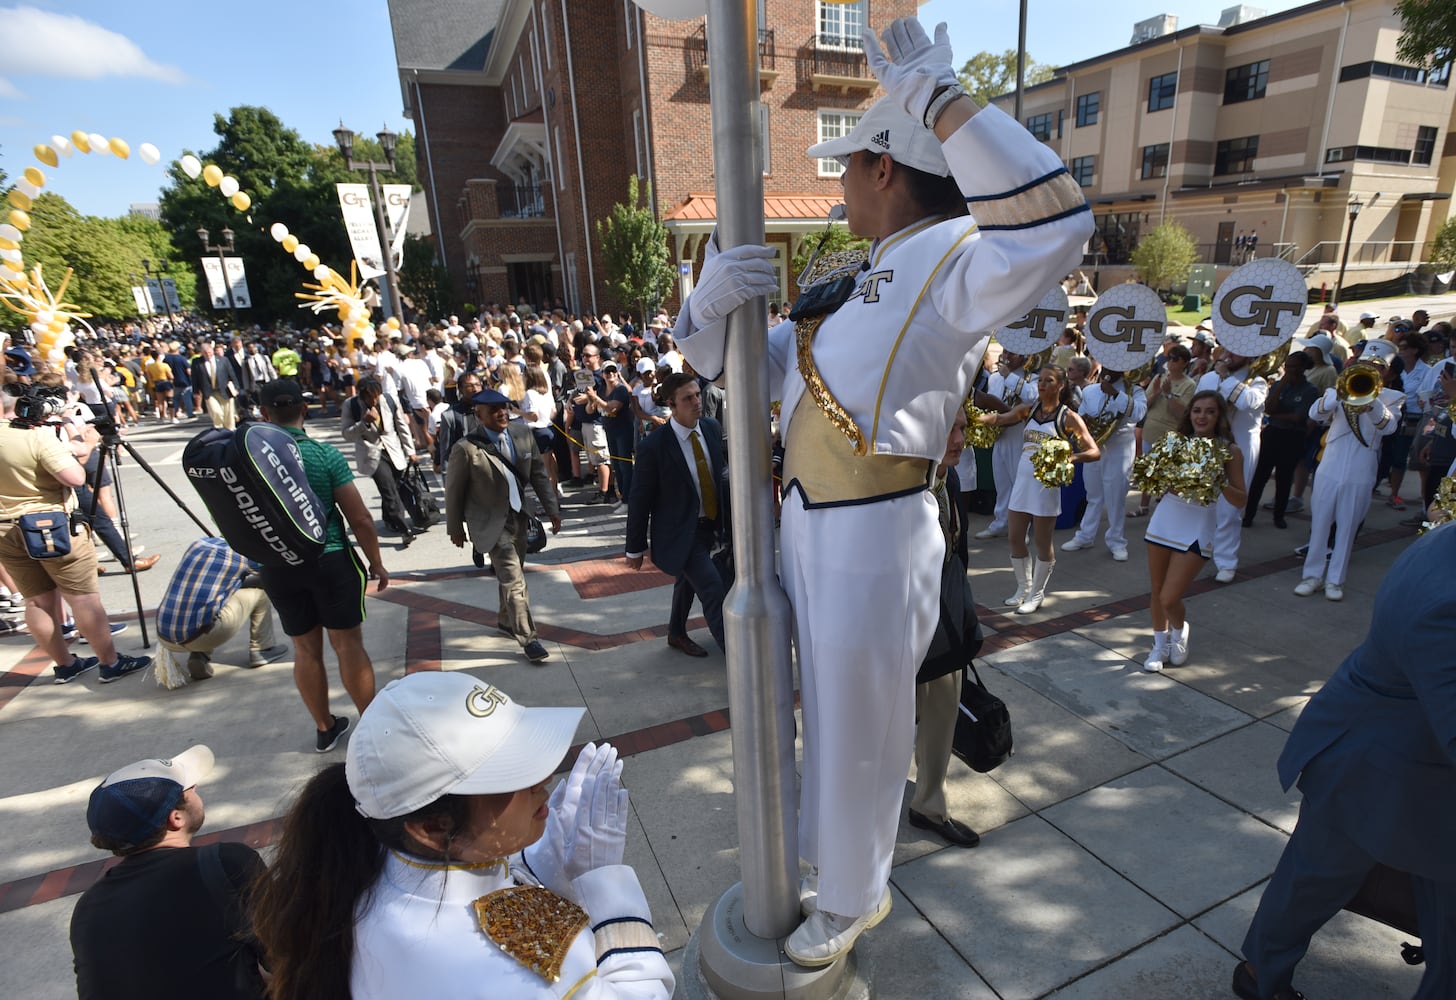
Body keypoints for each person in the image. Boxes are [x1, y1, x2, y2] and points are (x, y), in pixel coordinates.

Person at [673, 16, 1090, 965]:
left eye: (849, 166)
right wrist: (706, 314)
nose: (841, 181)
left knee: (861, 716)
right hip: (810, 522)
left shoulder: (951, 255)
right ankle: (832, 863)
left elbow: (1058, 220)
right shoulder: (854, 275)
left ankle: (856, 895)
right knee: (825, 708)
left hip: (875, 523)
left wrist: (938, 101)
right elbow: (752, 375)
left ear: (888, 171)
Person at [248, 672, 674, 1000]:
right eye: (514, 776)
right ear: (433, 828)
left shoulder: (362, 856)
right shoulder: (516, 966)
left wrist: (536, 864)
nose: (544, 778)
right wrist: (607, 889)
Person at [1234, 524, 1456, 1000]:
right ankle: (1260, 975)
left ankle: (1260, 971)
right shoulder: (1446, 600)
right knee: (1315, 876)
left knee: (1317, 875)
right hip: (1375, 764)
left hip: (1395, 756)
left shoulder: (1446, 540)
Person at [70, 745, 267, 1000]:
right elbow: (293, 958)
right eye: (189, 789)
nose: (196, 789)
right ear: (176, 818)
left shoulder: (87, 907)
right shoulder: (226, 863)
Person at [256, 379, 389, 752]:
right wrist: (376, 562)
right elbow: (360, 518)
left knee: (304, 649)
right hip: (329, 558)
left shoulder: (252, 462)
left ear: (264, 414)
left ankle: (324, 727)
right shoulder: (322, 456)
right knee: (348, 644)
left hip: (278, 565)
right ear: (305, 409)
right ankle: (372, 724)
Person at [0, 380, 150, 684]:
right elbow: (75, 476)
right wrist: (88, 444)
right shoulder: (35, 437)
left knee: (36, 602)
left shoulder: (31, 434)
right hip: (50, 525)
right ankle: (110, 663)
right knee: (82, 599)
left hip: (5, 530)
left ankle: (65, 664)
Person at [445, 387, 562, 664]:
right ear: (479, 413)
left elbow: (538, 475)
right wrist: (455, 528)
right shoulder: (466, 449)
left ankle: (504, 619)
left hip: (519, 517)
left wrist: (552, 510)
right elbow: (454, 492)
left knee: (512, 573)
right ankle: (528, 638)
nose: (502, 413)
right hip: (488, 522)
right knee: (514, 580)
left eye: (504, 407)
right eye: (494, 409)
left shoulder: (522, 435)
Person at [911, 408, 981, 847]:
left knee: (942, 711)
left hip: (943, 625)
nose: (960, 439)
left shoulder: (949, 480)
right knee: (892, 722)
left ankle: (929, 806)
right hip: (897, 627)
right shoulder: (897, 488)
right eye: (951, 430)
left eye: (963, 428)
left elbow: (958, 550)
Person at [978, 364, 1099, 613]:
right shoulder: (1027, 410)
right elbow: (1000, 419)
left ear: (1061, 385)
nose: (1042, 384)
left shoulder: (1068, 417)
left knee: (1043, 543)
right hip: (1022, 483)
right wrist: (971, 418)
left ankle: (1037, 594)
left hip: (1045, 486)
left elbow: (1094, 451)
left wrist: (1070, 459)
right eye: (1041, 380)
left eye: (1049, 380)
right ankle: (1023, 588)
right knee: (1014, 538)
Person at [624, 372, 728, 657]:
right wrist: (634, 548)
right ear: (672, 404)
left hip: (712, 526)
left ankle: (676, 632)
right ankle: (736, 654)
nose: (697, 401)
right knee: (713, 588)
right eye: (688, 398)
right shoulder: (654, 446)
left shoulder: (710, 427)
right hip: (680, 532)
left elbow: (719, 476)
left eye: (697, 394)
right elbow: (639, 499)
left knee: (687, 581)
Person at [1141, 391, 1247, 672]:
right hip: (1165, 519)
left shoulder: (1230, 451)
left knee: (1169, 597)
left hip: (1199, 524)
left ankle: (1179, 630)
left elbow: (1241, 499)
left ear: (1219, 416)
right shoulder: (1175, 443)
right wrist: (1157, 478)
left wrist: (1217, 478)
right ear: (1189, 414)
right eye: (1197, 410)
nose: (1202, 416)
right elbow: (1162, 486)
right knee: (1156, 592)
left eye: (1209, 411)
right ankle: (1159, 646)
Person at [1292, 341, 1402, 602]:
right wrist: (1335, 396)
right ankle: (1312, 576)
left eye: (1378, 366)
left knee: (1348, 526)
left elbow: (1389, 428)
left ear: (1385, 371)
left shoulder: (1392, 398)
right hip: (1332, 460)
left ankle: (1335, 579)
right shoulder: (1338, 389)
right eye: (1367, 364)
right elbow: (1315, 414)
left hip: (1362, 465)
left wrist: (1372, 401)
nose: (1371, 369)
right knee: (1320, 522)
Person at [155, 536, 288, 681]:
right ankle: (262, 650)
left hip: (164, 636)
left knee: (209, 599)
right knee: (260, 591)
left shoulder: (199, 544)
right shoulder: (242, 555)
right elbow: (271, 576)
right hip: (200, 634)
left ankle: (200, 656)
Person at [1197, 348, 1268, 583]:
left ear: (1248, 355)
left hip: (1242, 446)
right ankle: (1203, 549)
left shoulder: (1258, 382)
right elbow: (1196, 411)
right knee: (1205, 503)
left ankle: (1226, 561)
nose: (1229, 355)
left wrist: (1226, 377)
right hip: (1211, 444)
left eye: (1237, 352)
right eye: (1227, 349)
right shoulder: (1209, 377)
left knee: (1230, 508)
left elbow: (1247, 402)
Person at [1063, 369, 1145, 561]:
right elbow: (1082, 417)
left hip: (1120, 450)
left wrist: (1116, 394)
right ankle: (1085, 535)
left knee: (1115, 497)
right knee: (1093, 494)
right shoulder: (1090, 390)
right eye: (1107, 366)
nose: (1109, 370)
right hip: (1095, 447)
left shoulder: (1134, 391)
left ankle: (1117, 541)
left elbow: (1138, 414)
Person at [341, 375, 421, 546]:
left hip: (393, 449)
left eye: (377, 395)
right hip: (372, 453)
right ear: (362, 395)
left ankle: (389, 518)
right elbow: (347, 434)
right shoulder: (351, 405)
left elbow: (401, 426)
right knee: (388, 489)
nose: (374, 399)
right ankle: (403, 528)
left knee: (397, 486)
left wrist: (410, 451)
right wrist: (364, 422)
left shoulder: (390, 400)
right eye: (370, 396)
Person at [1243, 353, 1319, 529]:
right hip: (1273, 433)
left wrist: (1276, 415)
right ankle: (1249, 514)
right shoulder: (1279, 385)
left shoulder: (1309, 390)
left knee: (1284, 478)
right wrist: (1281, 385)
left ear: (1302, 368)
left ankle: (1279, 515)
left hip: (1292, 437)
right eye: (1287, 366)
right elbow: (1269, 408)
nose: (1289, 370)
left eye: (1293, 367)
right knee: (1260, 477)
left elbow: (1298, 417)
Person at [974, 350, 1036, 539]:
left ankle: (1022, 528)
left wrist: (1009, 376)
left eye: (1013, 353)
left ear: (1024, 356)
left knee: (1020, 482)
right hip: (1000, 435)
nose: (1007, 355)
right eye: (1005, 351)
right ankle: (1000, 522)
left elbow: (1031, 397)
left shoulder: (1032, 378)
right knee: (1001, 482)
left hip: (1020, 435)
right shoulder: (995, 378)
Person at [191, 339, 241, 431]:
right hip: (209, 392)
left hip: (225, 390)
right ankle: (219, 429)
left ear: (212, 351)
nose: (208, 355)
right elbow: (194, 377)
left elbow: (231, 374)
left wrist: (236, 387)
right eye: (205, 353)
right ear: (202, 353)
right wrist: (195, 391)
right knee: (216, 412)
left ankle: (230, 430)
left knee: (228, 414)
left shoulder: (223, 360)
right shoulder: (196, 362)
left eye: (209, 352)